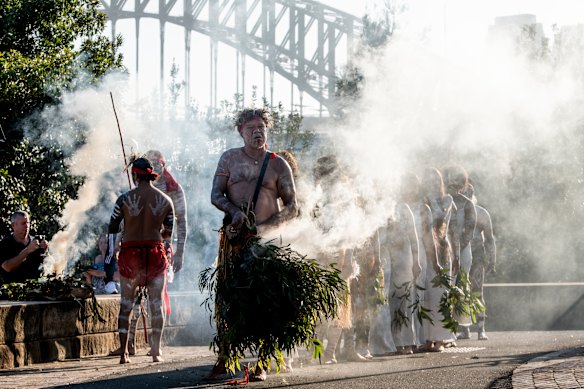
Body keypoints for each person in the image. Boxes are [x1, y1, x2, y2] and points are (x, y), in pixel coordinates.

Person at [209, 107, 298, 380]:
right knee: (227, 298)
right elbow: (215, 195)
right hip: (235, 242)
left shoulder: (278, 164)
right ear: (241, 132)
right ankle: (226, 356)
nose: (257, 132)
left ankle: (263, 361)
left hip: (268, 244)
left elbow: (293, 207)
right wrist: (234, 212)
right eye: (252, 128)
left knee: (266, 301)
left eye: (262, 127)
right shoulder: (229, 159)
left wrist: (266, 228)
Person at [105, 157, 176, 364]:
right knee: (156, 304)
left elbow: (112, 228)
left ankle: (124, 354)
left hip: (130, 255)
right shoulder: (166, 200)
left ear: (135, 175)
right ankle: (155, 352)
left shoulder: (124, 199)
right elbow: (168, 233)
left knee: (126, 304)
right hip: (154, 254)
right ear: (151, 175)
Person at [420, 168, 457, 352]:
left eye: (436, 180)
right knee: (427, 296)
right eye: (429, 180)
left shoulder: (446, 200)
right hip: (427, 249)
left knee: (440, 295)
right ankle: (428, 339)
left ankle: (441, 339)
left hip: (442, 247)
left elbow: (442, 222)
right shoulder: (423, 200)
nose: (432, 183)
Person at [442, 165, 477, 339]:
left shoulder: (467, 204)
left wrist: (456, 250)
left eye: (456, 181)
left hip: (462, 250)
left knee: (461, 285)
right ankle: (447, 324)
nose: (452, 184)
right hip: (443, 249)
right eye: (449, 180)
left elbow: (469, 232)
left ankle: (463, 325)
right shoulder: (442, 200)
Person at [466, 185, 497, 340]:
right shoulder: (458, 211)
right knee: (461, 291)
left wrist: (493, 261)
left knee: (477, 291)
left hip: (477, 255)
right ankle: (464, 328)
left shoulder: (481, 213)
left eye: (469, 192)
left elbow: (490, 239)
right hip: (462, 254)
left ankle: (480, 328)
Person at [0, 211, 48, 284]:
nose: (27, 226)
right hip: (14, 291)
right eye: (23, 223)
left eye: (28, 223)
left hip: (35, 290)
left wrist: (45, 251)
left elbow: (45, 265)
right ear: (13, 225)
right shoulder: (4, 244)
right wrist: (28, 250)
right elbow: (7, 267)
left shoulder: (35, 241)